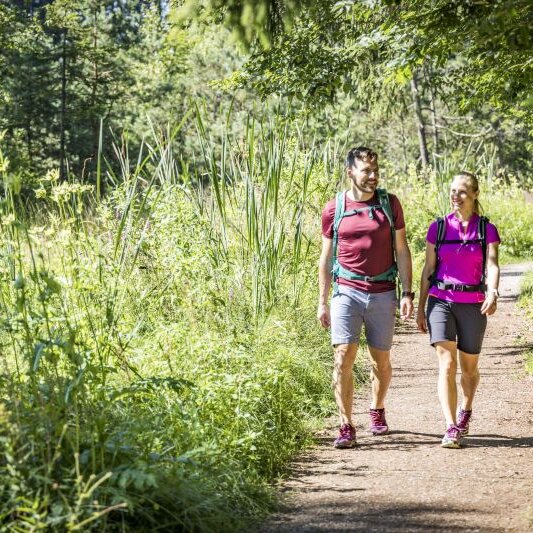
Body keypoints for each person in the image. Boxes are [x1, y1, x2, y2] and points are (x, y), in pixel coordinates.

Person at [317, 146, 414, 448]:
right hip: (345, 290)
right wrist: (322, 300)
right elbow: (325, 257)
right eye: (366, 171)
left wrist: (407, 291)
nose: (373, 176)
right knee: (343, 356)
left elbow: (402, 249)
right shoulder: (334, 209)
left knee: (380, 361)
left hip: (383, 292)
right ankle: (346, 425)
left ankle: (377, 407)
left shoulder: (390, 204)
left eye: (376, 170)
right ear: (350, 172)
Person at [416, 171, 500, 449]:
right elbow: (428, 269)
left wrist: (492, 291)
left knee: (469, 369)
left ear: (475, 194)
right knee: (447, 364)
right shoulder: (438, 228)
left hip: (473, 303)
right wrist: (420, 308)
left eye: (462, 191)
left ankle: (467, 408)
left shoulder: (486, 229)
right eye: (453, 191)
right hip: (440, 300)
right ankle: (451, 426)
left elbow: (492, 265)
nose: (456, 196)